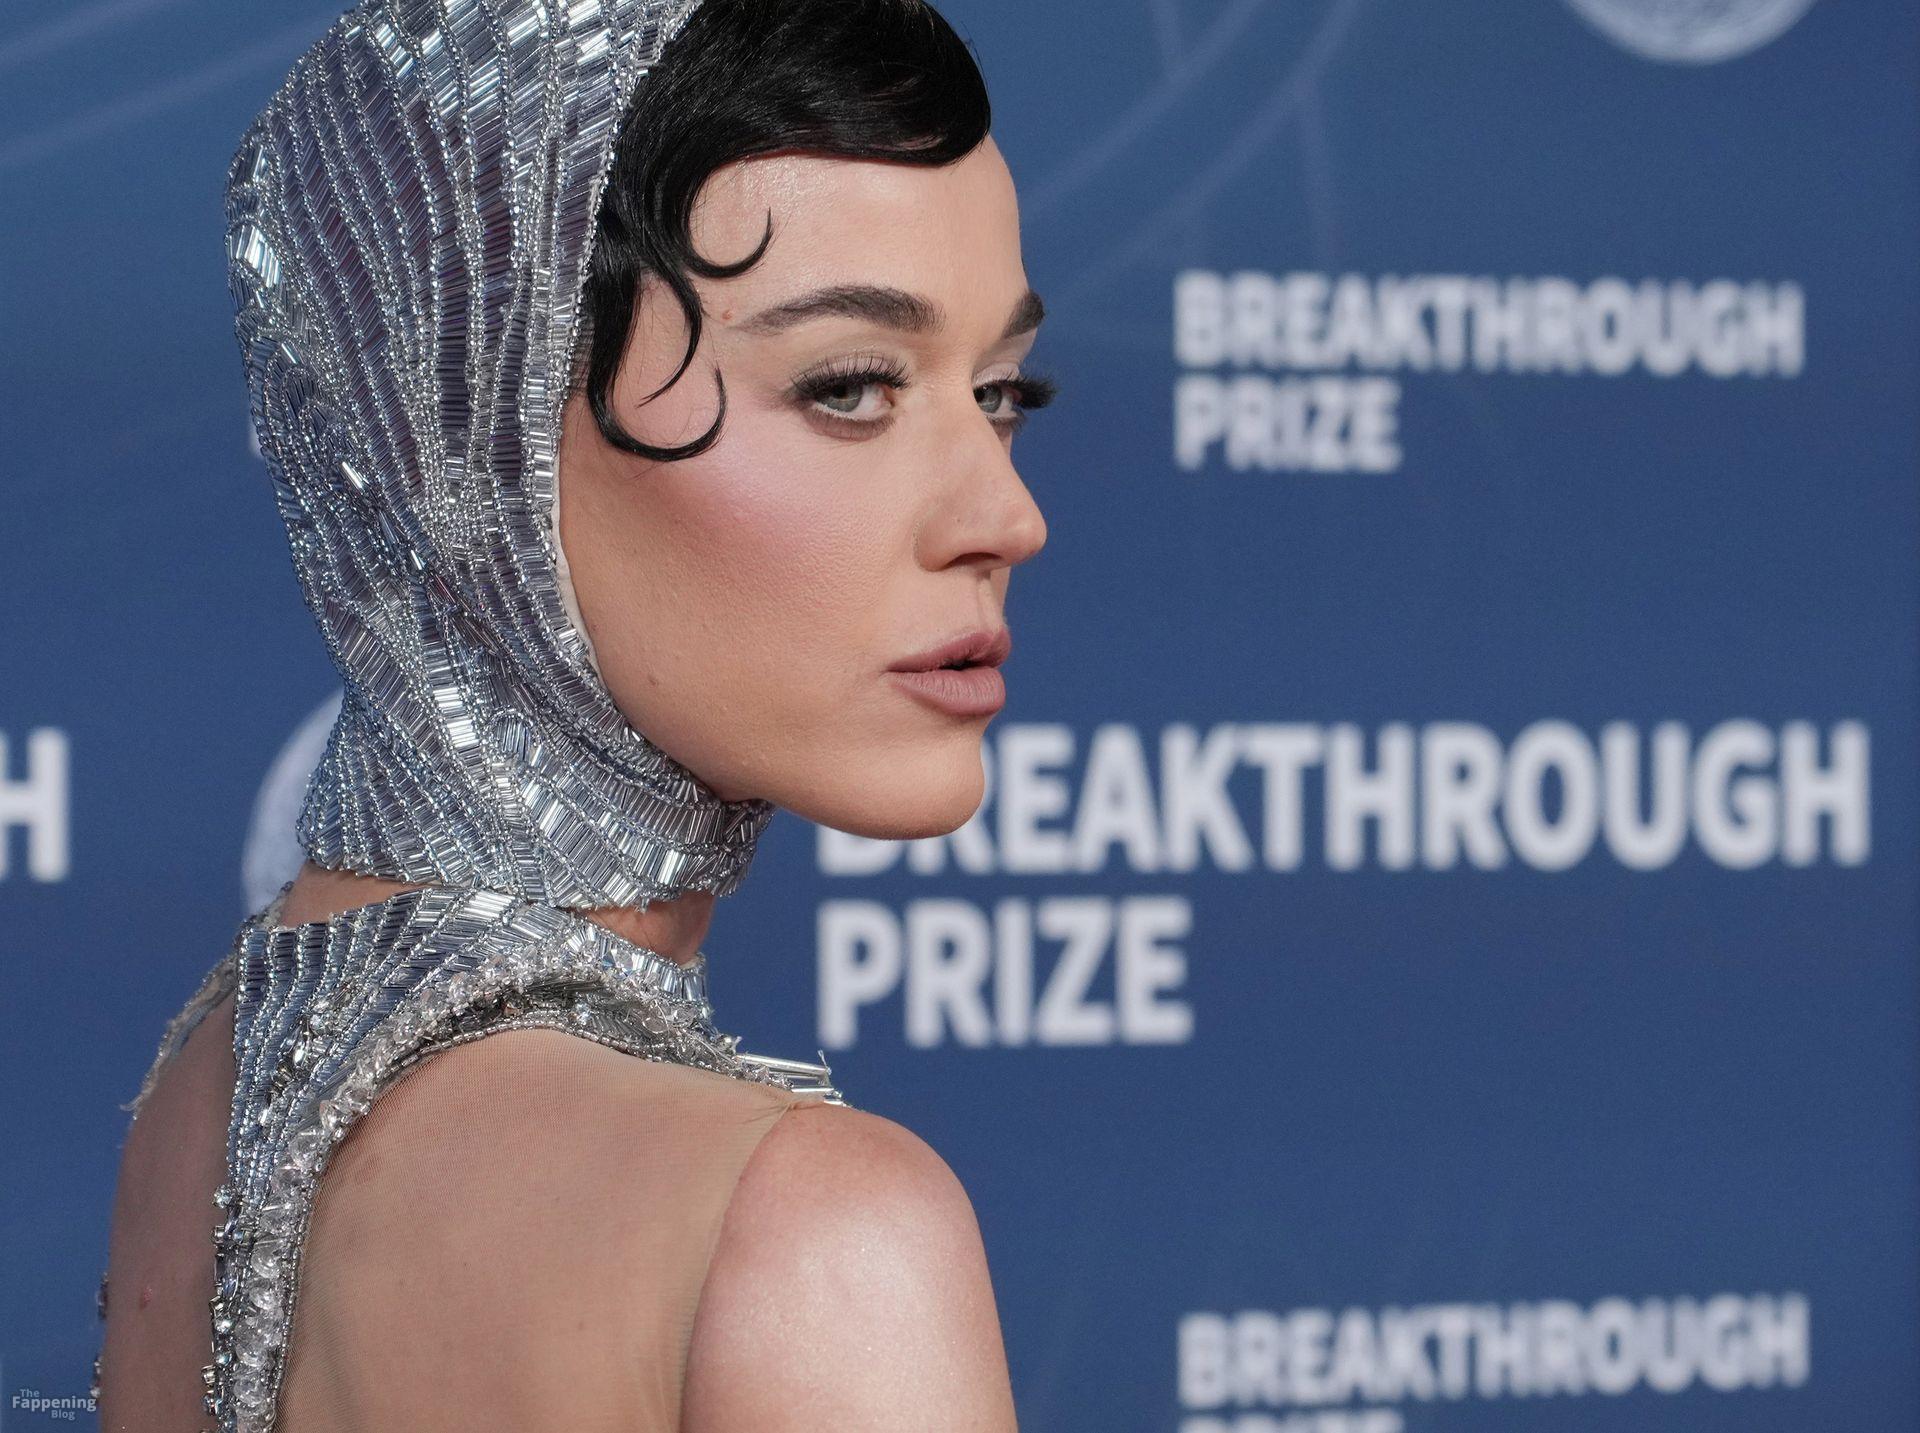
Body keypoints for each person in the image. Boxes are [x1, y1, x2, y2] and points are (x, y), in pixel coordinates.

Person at [92, 0, 1057, 1426]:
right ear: (473, 424)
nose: (1007, 515)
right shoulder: (812, 1238)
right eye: (849, 386)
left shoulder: (212, 1081)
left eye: (1001, 391)